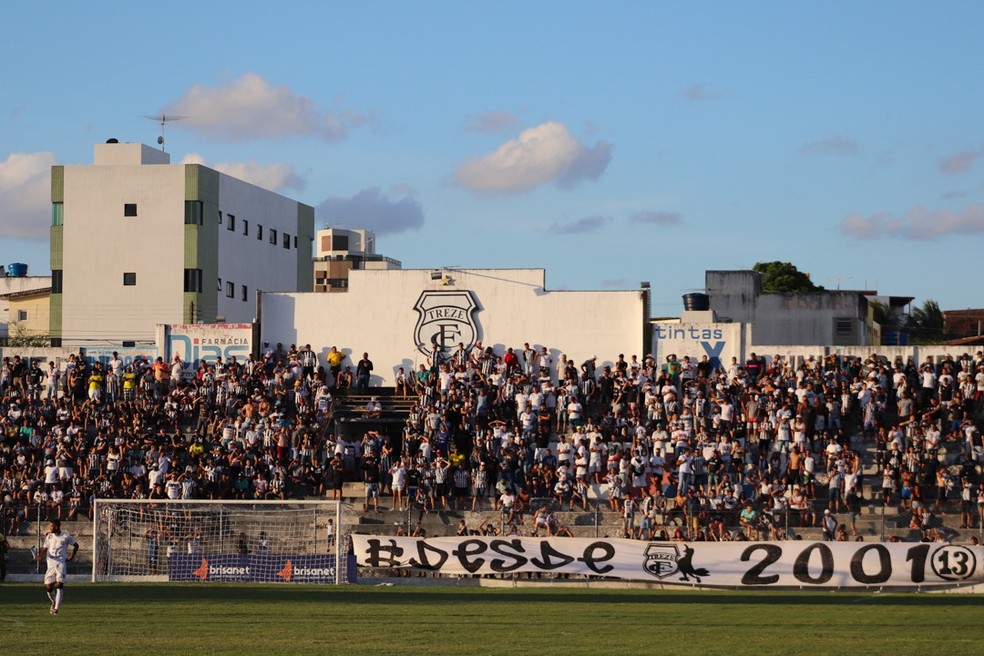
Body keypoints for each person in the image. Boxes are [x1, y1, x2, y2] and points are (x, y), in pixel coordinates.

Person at [35, 519, 79, 615]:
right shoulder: (49, 536)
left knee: (59, 585)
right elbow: (45, 548)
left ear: (57, 527)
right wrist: (40, 556)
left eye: (51, 526)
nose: (50, 528)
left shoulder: (65, 536)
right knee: (49, 587)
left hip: (61, 562)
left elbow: (76, 545)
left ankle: (56, 609)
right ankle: (54, 601)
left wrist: (71, 556)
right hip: (50, 563)